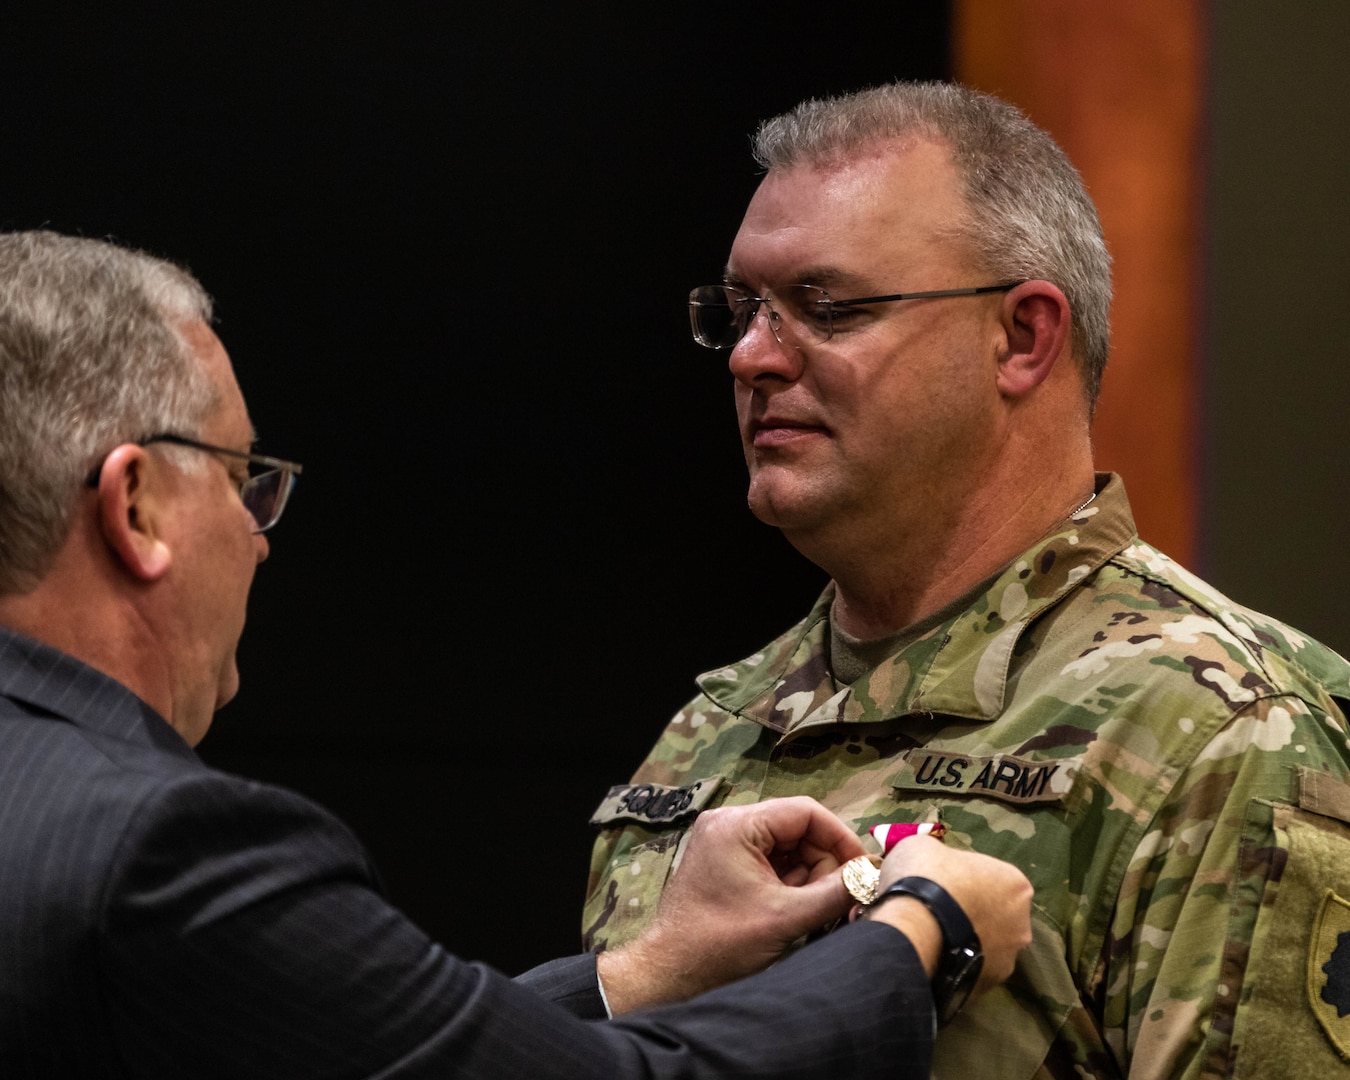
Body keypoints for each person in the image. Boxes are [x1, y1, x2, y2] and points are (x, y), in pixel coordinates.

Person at [0, 229, 1034, 1078]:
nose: (259, 535)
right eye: (241, 478)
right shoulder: (162, 847)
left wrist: (651, 970)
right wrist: (918, 929)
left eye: (835, 307)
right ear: (134, 507)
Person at [582, 82, 1350, 1079]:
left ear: (1024, 337)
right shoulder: (710, 733)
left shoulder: (1224, 728)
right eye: (741, 312)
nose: (754, 356)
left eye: (827, 307)